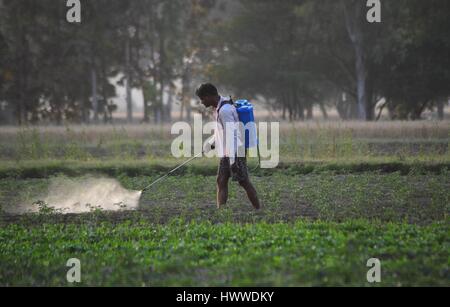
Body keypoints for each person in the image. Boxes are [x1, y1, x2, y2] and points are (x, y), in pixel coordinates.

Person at [196, 83, 261, 210]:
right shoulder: (221, 107)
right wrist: (210, 145)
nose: (202, 102)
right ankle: (222, 212)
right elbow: (222, 131)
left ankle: (258, 209)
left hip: (235, 151)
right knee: (221, 181)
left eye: (202, 98)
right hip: (228, 152)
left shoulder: (225, 111)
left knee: (244, 182)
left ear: (209, 96)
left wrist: (232, 161)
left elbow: (232, 136)